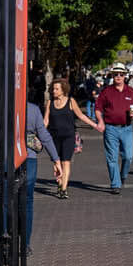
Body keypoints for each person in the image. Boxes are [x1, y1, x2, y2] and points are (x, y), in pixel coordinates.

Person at [46, 77, 101, 199]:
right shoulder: (50, 103)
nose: (53, 91)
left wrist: (95, 125)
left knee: (66, 162)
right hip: (53, 138)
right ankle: (60, 184)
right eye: (53, 89)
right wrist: (38, 133)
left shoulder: (71, 101)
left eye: (56, 89)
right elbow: (46, 121)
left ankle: (64, 189)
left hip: (68, 137)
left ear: (63, 90)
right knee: (56, 163)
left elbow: (81, 115)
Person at [20, 96, 61, 254]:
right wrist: (56, 159)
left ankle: (1, 242)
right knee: (27, 201)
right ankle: (25, 244)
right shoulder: (32, 109)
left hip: (4, 157)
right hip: (27, 157)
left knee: (2, 200)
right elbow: (44, 135)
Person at [96, 67, 133, 193]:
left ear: (125, 76)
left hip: (126, 128)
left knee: (128, 157)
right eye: (116, 74)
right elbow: (98, 108)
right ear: (112, 76)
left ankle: (123, 176)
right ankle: (115, 184)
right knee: (112, 158)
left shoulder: (130, 91)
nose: (118, 76)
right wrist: (100, 121)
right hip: (111, 128)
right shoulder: (106, 92)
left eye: (121, 74)